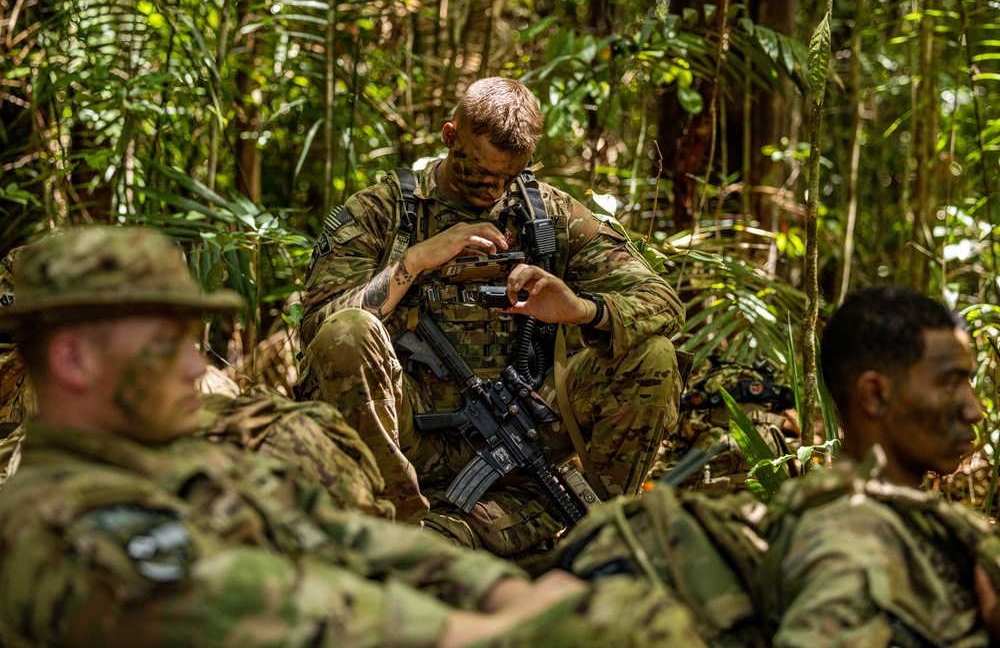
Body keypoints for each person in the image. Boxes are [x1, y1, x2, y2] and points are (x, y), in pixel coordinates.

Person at [0, 224, 708, 647]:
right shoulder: (60, 529)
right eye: (165, 345)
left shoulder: (187, 470)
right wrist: (499, 631)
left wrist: (501, 593)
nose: (198, 367)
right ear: (73, 358)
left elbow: (352, 540)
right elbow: (294, 619)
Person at [298, 77, 686, 557]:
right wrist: (415, 262)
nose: (492, 188)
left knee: (653, 355)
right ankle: (398, 526)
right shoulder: (383, 213)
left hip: (520, 431)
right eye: (479, 170)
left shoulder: (548, 214)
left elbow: (663, 301)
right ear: (449, 135)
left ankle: (593, 538)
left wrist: (580, 309)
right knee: (348, 331)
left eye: (508, 175)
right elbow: (319, 325)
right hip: (405, 432)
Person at [758, 285, 1000, 646]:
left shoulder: (902, 516)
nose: (974, 410)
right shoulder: (847, 543)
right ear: (874, 395)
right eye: (950, 384)